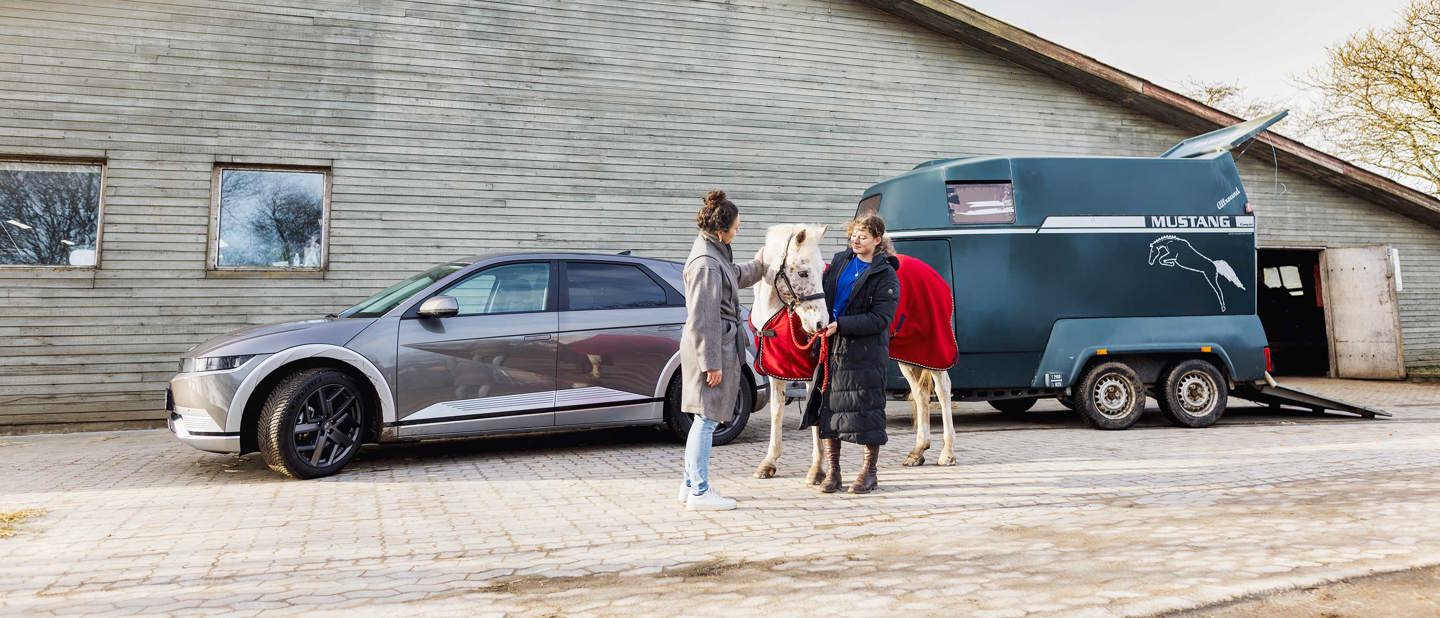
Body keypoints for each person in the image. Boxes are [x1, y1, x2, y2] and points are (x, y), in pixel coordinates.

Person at [678, 189, 767, 511]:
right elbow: (704, 318)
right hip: (711, 348)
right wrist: (711, 363)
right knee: (707, 419)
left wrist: (761, 264)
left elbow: (737, 276)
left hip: (714, 346)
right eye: (736, 226)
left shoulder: (715, 254)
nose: (738, 230)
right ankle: (700, 491)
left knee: (704, 417)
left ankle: (689, 486)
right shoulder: (706, 264)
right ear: (720, 229)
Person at [801, 214, 900, 494]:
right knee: (830, 411)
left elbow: (881, 318)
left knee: (868, 413)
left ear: (877, 240)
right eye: (854, 234)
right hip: (833, 349)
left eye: (863, 236)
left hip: (865, 354)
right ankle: (834, 472)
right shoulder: (840, 262)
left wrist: (841, 325)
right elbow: (820, 293)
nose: (856, 239)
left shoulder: (885, 274)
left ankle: (870, 472)